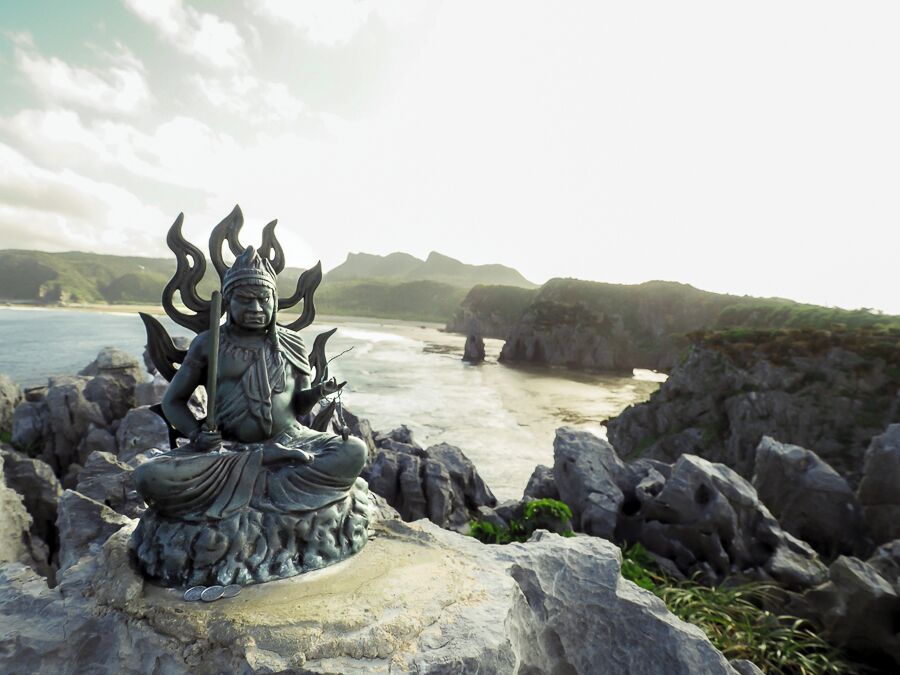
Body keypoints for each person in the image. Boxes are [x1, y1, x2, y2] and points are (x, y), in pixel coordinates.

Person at [133, 246, 367, 522]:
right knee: (149, 476)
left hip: (291, 440)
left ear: (274, 303)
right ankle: (265, 467)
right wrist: (196, 434)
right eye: (244, 300)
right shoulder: (209, 343)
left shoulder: (291, 343)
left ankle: (257, 475)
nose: (256, 308)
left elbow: (298, 407)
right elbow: (173, 401)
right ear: (228, 303)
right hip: (227, 449)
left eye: (263, 300)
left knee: (353, 450)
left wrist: (318, 392)